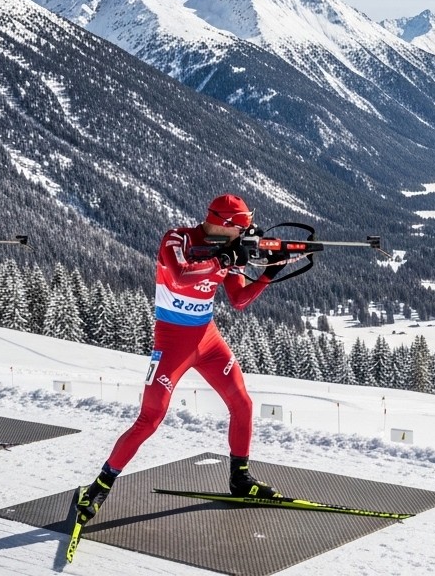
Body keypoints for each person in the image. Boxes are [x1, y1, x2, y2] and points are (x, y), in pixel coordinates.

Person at [75, 194, 285, 524]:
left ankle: (240, 478)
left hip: (207, 339)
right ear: (225, 224)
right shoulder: (178, 239)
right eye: (242, 227)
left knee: (242, 403)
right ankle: (100, 486)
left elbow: (238, 299)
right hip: (172, 343)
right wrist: (224, 259)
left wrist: (270, 272)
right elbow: (180, 275)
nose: (246, 232)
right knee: (150, 418)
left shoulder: (231, 248)